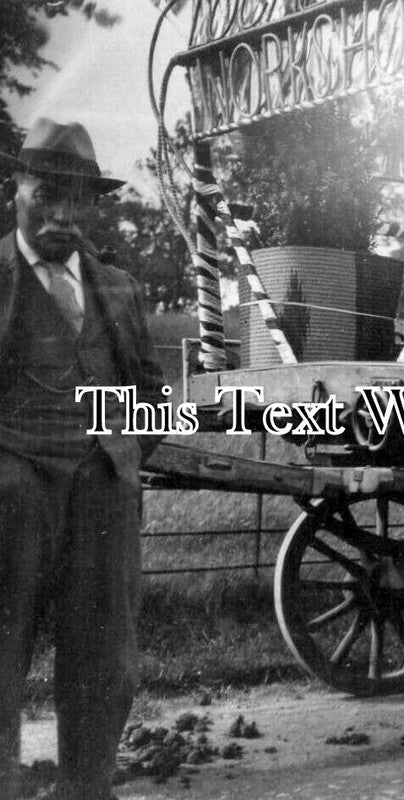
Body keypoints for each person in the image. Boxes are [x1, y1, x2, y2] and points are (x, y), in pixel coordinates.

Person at [0, 119, 165, 800]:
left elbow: (151, 391)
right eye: (46, 197)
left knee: (104, 655)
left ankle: (86, 786)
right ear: (15, 190)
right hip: (13, 493)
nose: (62, 217)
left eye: (77, 201)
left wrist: (121, 455)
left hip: (102, 492)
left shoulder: (120, 288)